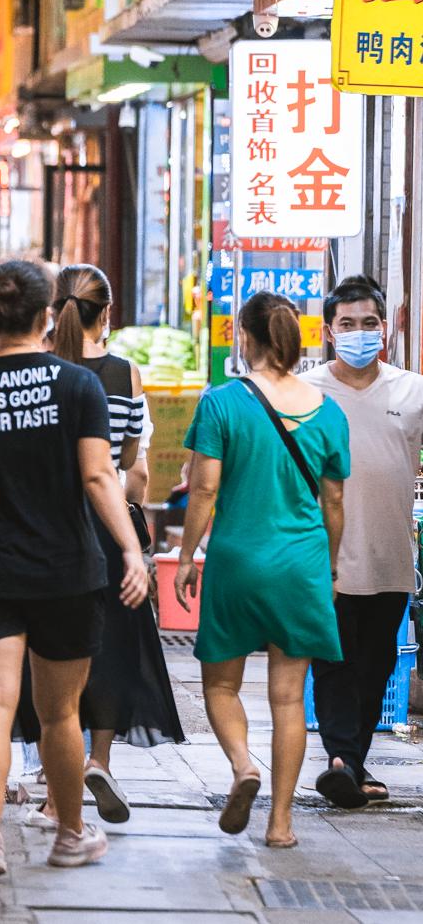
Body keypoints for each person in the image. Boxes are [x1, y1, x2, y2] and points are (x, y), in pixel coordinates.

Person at [0, 259, 148, 880]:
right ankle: (70, 836)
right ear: (47, 317)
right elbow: (102, 475)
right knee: (58, 714)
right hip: (66, 571)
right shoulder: (78, 386)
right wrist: (131, 549)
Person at [176, 293, 349, 848]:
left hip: (237, 561)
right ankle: (281, 824)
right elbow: (335, 502)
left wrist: (185, 557)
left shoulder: (222, 403)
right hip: (300, 563)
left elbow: (203, 488)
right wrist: (330, 568)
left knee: (222, 686)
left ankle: (242, 766)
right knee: (289, 699)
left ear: (243, 338)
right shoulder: (329, 410)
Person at [52, 265, 183, 826]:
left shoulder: (36, 368)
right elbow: (131, 466)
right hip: (109, 526)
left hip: (48, 526)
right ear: (107, 314)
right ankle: (99, 759)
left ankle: (49, 772)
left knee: (52, 648)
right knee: (109, 642)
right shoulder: (125, 374)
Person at [308, 275, 423, 809]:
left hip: (390, 555)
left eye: (369, 324)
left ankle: (349, 764)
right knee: (332, 661)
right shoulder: (307, 391)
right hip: (321, 557)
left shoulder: (412, 390)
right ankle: (342, 761)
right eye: (347, 324)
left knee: (375, 665)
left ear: (387, 327)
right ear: (329, 332)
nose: (359, 333)